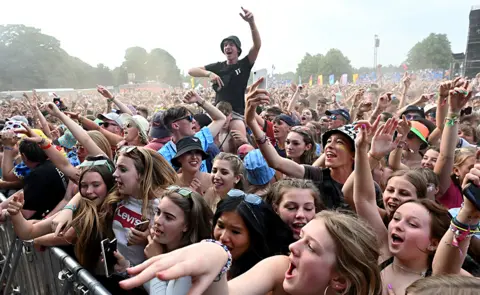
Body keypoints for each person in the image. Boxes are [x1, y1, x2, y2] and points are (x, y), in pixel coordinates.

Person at [119, 211, 383, 295]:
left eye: (311, 247)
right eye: (301, 238)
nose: (293, 247)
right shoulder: (281, 267)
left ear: (339, 280)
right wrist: (216, 254)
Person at [188, 7, 261, 141]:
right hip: (217, 112)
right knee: (208, 143)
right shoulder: (218, 66)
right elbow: (191, 70)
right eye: (225, 45)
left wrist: (251, 23)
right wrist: (209, 74)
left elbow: (257, 46)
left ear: (238, 50)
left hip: (236, 114)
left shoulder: (244, 64)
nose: (228, 47)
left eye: (231, 45)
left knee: (239, 142)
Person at [212, 190, 293, 279]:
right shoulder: (206, 261)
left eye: (235, 231)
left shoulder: (267, 277)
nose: (223, 237)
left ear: (255, 237)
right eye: (220, 225)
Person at [159, 90, 226, 173]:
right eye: (189, 118)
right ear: (176, 125)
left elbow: (221, 118)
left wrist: (199, 100)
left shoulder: (199, 139)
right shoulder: (162, 157)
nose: (194, 121)